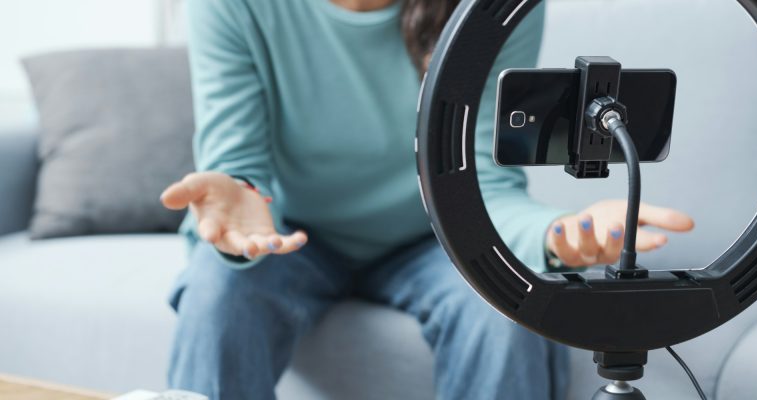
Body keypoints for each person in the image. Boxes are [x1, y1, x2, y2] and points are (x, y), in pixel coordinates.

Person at [160, 1, 695, 399]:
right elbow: (239, 168)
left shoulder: (493, 8)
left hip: (438, 236)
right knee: (220, 288)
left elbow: (485, 183)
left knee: (507, 308)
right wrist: (240, 207)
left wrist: (558, 237)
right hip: (295, 232)